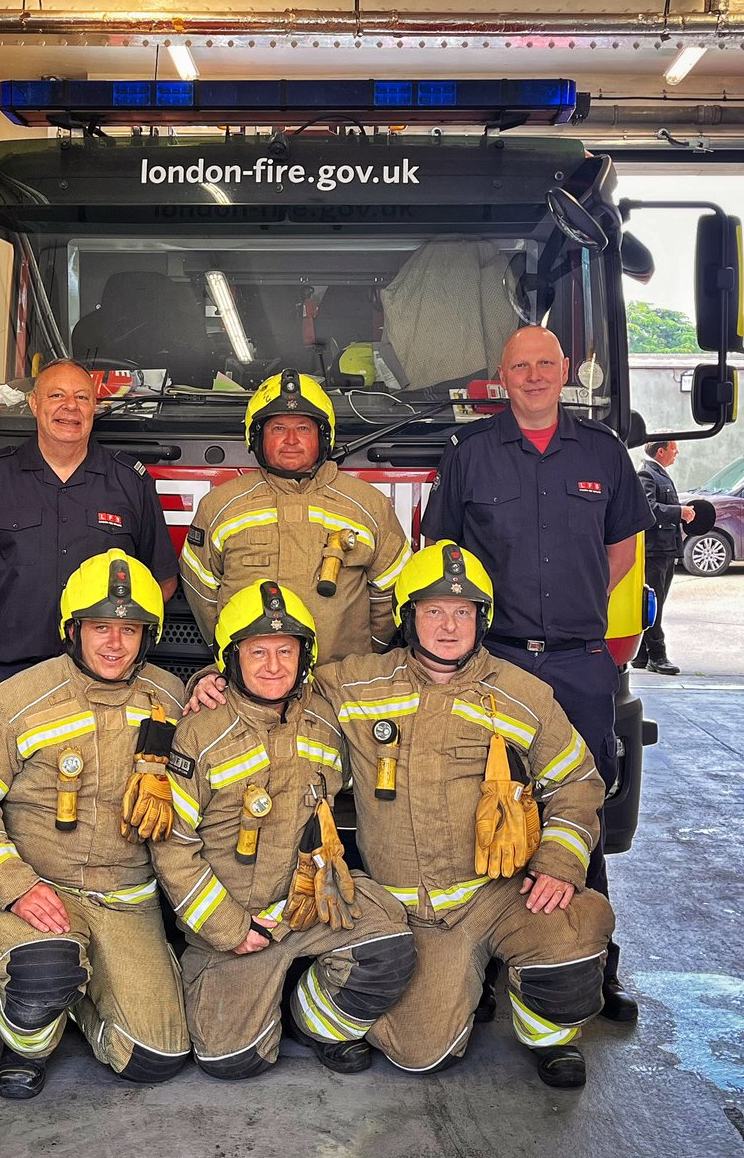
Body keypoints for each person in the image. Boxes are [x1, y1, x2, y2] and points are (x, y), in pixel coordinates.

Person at [188, 543, 614, 1088]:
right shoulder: (357, 683)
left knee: (573, 934)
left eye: (463, 612)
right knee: (421, 1054)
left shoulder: (523, 694)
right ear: (408, 617)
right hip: (415, 914)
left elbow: (578, 780)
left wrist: (559, 860)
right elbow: (273, 668)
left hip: (503, 893)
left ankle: (549, 1036)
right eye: (432, 610)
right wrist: (212, 676)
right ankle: (316, 1019)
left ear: (482, 620)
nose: (448, 625)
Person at [419, 325, 653, 1023]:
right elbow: (443, 557)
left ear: (564, 372)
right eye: (520, 366)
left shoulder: (605, 453)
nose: (533, 376)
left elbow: (619, 550)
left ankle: (594, 972)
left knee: (580, 809)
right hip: (498, 660)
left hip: (581, 663)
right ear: (502, 376)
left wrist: (572, 613)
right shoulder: (470, 454)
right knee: (487, 809)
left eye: (544, 364)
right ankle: (491, 972)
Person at [0, 359, 179, 1017]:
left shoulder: (127, 483)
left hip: (107, 680)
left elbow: (161, 583)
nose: (69, 407)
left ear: (97, 406)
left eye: (81, 397)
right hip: (12, 674)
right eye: (55, 396)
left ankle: (113, 950)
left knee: (96, 810)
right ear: (34, 406)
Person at [0, 551, 190, 1099]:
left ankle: (76, 1001)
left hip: (128, 901)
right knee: (45, 967)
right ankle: (27, 1035)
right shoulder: (20, 698)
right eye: (100, 627)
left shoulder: (170, 698)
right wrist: (15, 886)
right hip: (41, 892)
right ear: (72, 629)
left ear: (150, 635)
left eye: (130, 629)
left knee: (157, 1057)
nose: (114, 644)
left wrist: (218, 685)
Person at [150, 581, 416, 1079]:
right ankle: (244, 990)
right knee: (230, 1062)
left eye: (285, 651)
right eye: (257, 652)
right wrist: (229, 929)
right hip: (239, 925)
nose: (273, 665)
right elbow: (172, 846)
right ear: (231, 659)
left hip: (313, 902)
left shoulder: (326, 713)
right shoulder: (198, 733)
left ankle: (313, 1023)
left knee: (390, 951)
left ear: (305, 656)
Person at [180, 369, 411, 662]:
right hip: (251, 686)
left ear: (323, 436)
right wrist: (238, 661)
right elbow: (202, 593)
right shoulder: (220, 506)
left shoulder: (369, 505)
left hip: (341, 685)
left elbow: (393, 591)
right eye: (278, 428)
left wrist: (362, 655)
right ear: (257, 437)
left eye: (303, 428)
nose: (291, 440)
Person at [633, 441, 695, 675]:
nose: (676, 452)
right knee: (653, 604)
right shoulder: (646, 474)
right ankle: (657, 656)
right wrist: (679, 511)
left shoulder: (659, 474)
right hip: (655, 549)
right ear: (661, 451)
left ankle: (642, 654)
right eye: (673, 448)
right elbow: (648, 507)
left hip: (665, 549)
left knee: (657, 602)